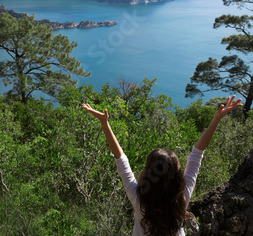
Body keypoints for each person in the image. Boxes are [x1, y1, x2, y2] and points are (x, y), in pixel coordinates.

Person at [82, 96, 243, 236]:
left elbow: (121, 160)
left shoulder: (138, 199)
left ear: (147, 171)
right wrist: (216, 120)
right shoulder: (182, 200)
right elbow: (196, 155)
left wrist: (105, 123)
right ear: (177, 177)